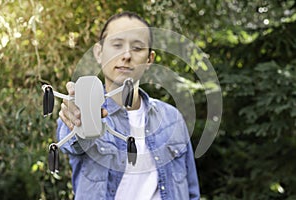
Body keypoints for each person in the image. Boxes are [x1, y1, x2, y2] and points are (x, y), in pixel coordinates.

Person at [57, 11, 200, 200]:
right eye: (117, 45)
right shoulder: (83, 109)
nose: (126, 55)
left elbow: (191, 193)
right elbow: (71, 142)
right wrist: (78, 118)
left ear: (150, 59)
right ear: (99, 53)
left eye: (137, 48)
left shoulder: (171, 119)